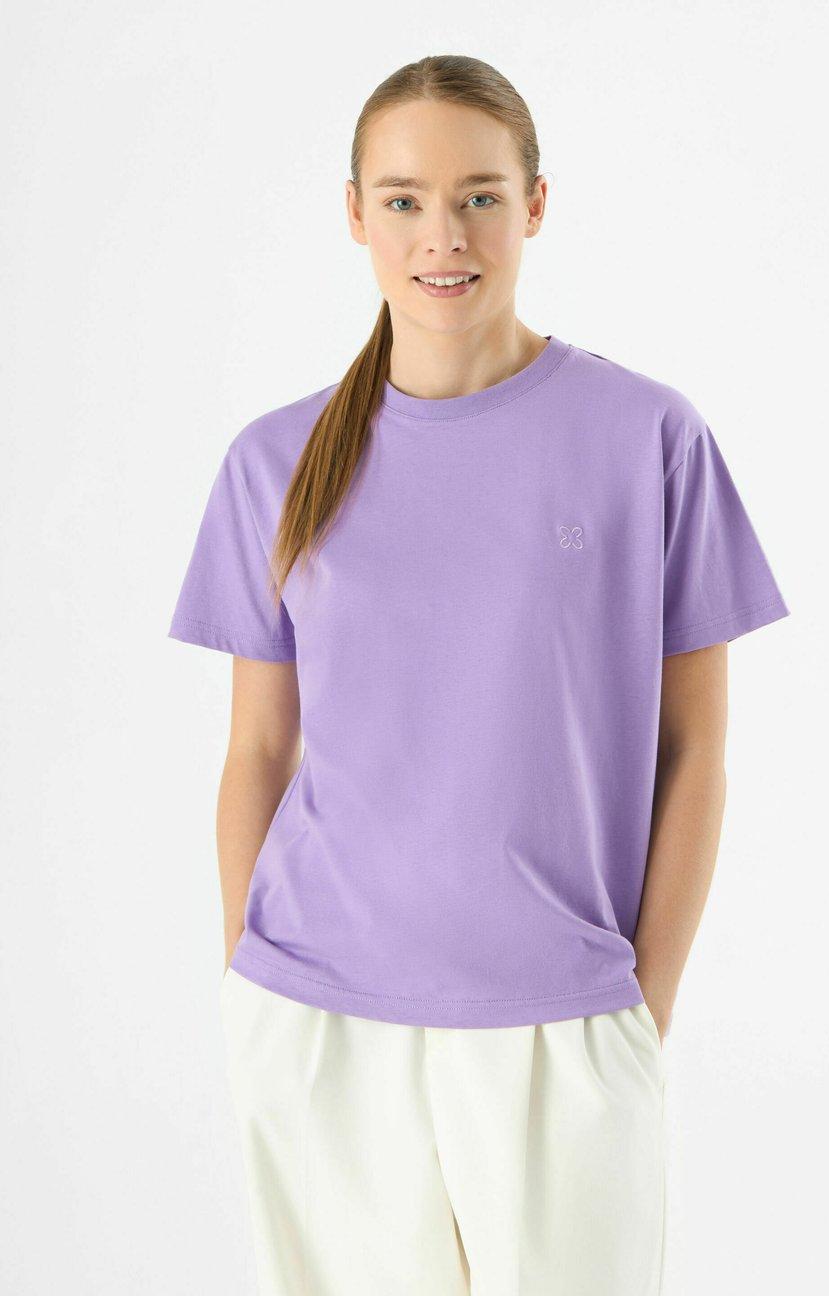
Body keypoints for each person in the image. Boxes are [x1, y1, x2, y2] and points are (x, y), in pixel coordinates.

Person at [167, 53, 790, 1296]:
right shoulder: (274, 462)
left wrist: (639, 1009)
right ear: (355, 214)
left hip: (564, 1022)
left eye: (480, 197)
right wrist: (249, 984)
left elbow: (696, 752)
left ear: (536, 205)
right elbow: (258, 749)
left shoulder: (646, 438)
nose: (441, 235)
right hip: (321, 1023)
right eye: (403, 199)